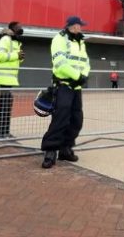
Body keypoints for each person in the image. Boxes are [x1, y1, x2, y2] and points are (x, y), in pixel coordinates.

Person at [41, 16, 90, 168]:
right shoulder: (59, 39)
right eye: (78, 25)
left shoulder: (81, 41)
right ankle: (50, 151)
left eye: (81, 26)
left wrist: (84, 76)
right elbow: (60, 62)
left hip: (76, 87)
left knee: (76, 120)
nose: (80, 28)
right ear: (71, 26)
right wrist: (76, 76)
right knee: (60, 118)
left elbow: (86, 61)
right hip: (63, 86)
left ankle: (65, 149)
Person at [0, 21, 25, 138]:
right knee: (5, 104)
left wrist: (20, 58)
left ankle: (2, 131)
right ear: (12, 28)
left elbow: (15, 59)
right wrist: (16, 56)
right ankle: (1, 132)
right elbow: (0, 56)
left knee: (6, 103)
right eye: (18, 26)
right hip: (3, 77)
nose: (21, 28)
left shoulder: (15, 41)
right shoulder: (6, 39)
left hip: (9, 79)